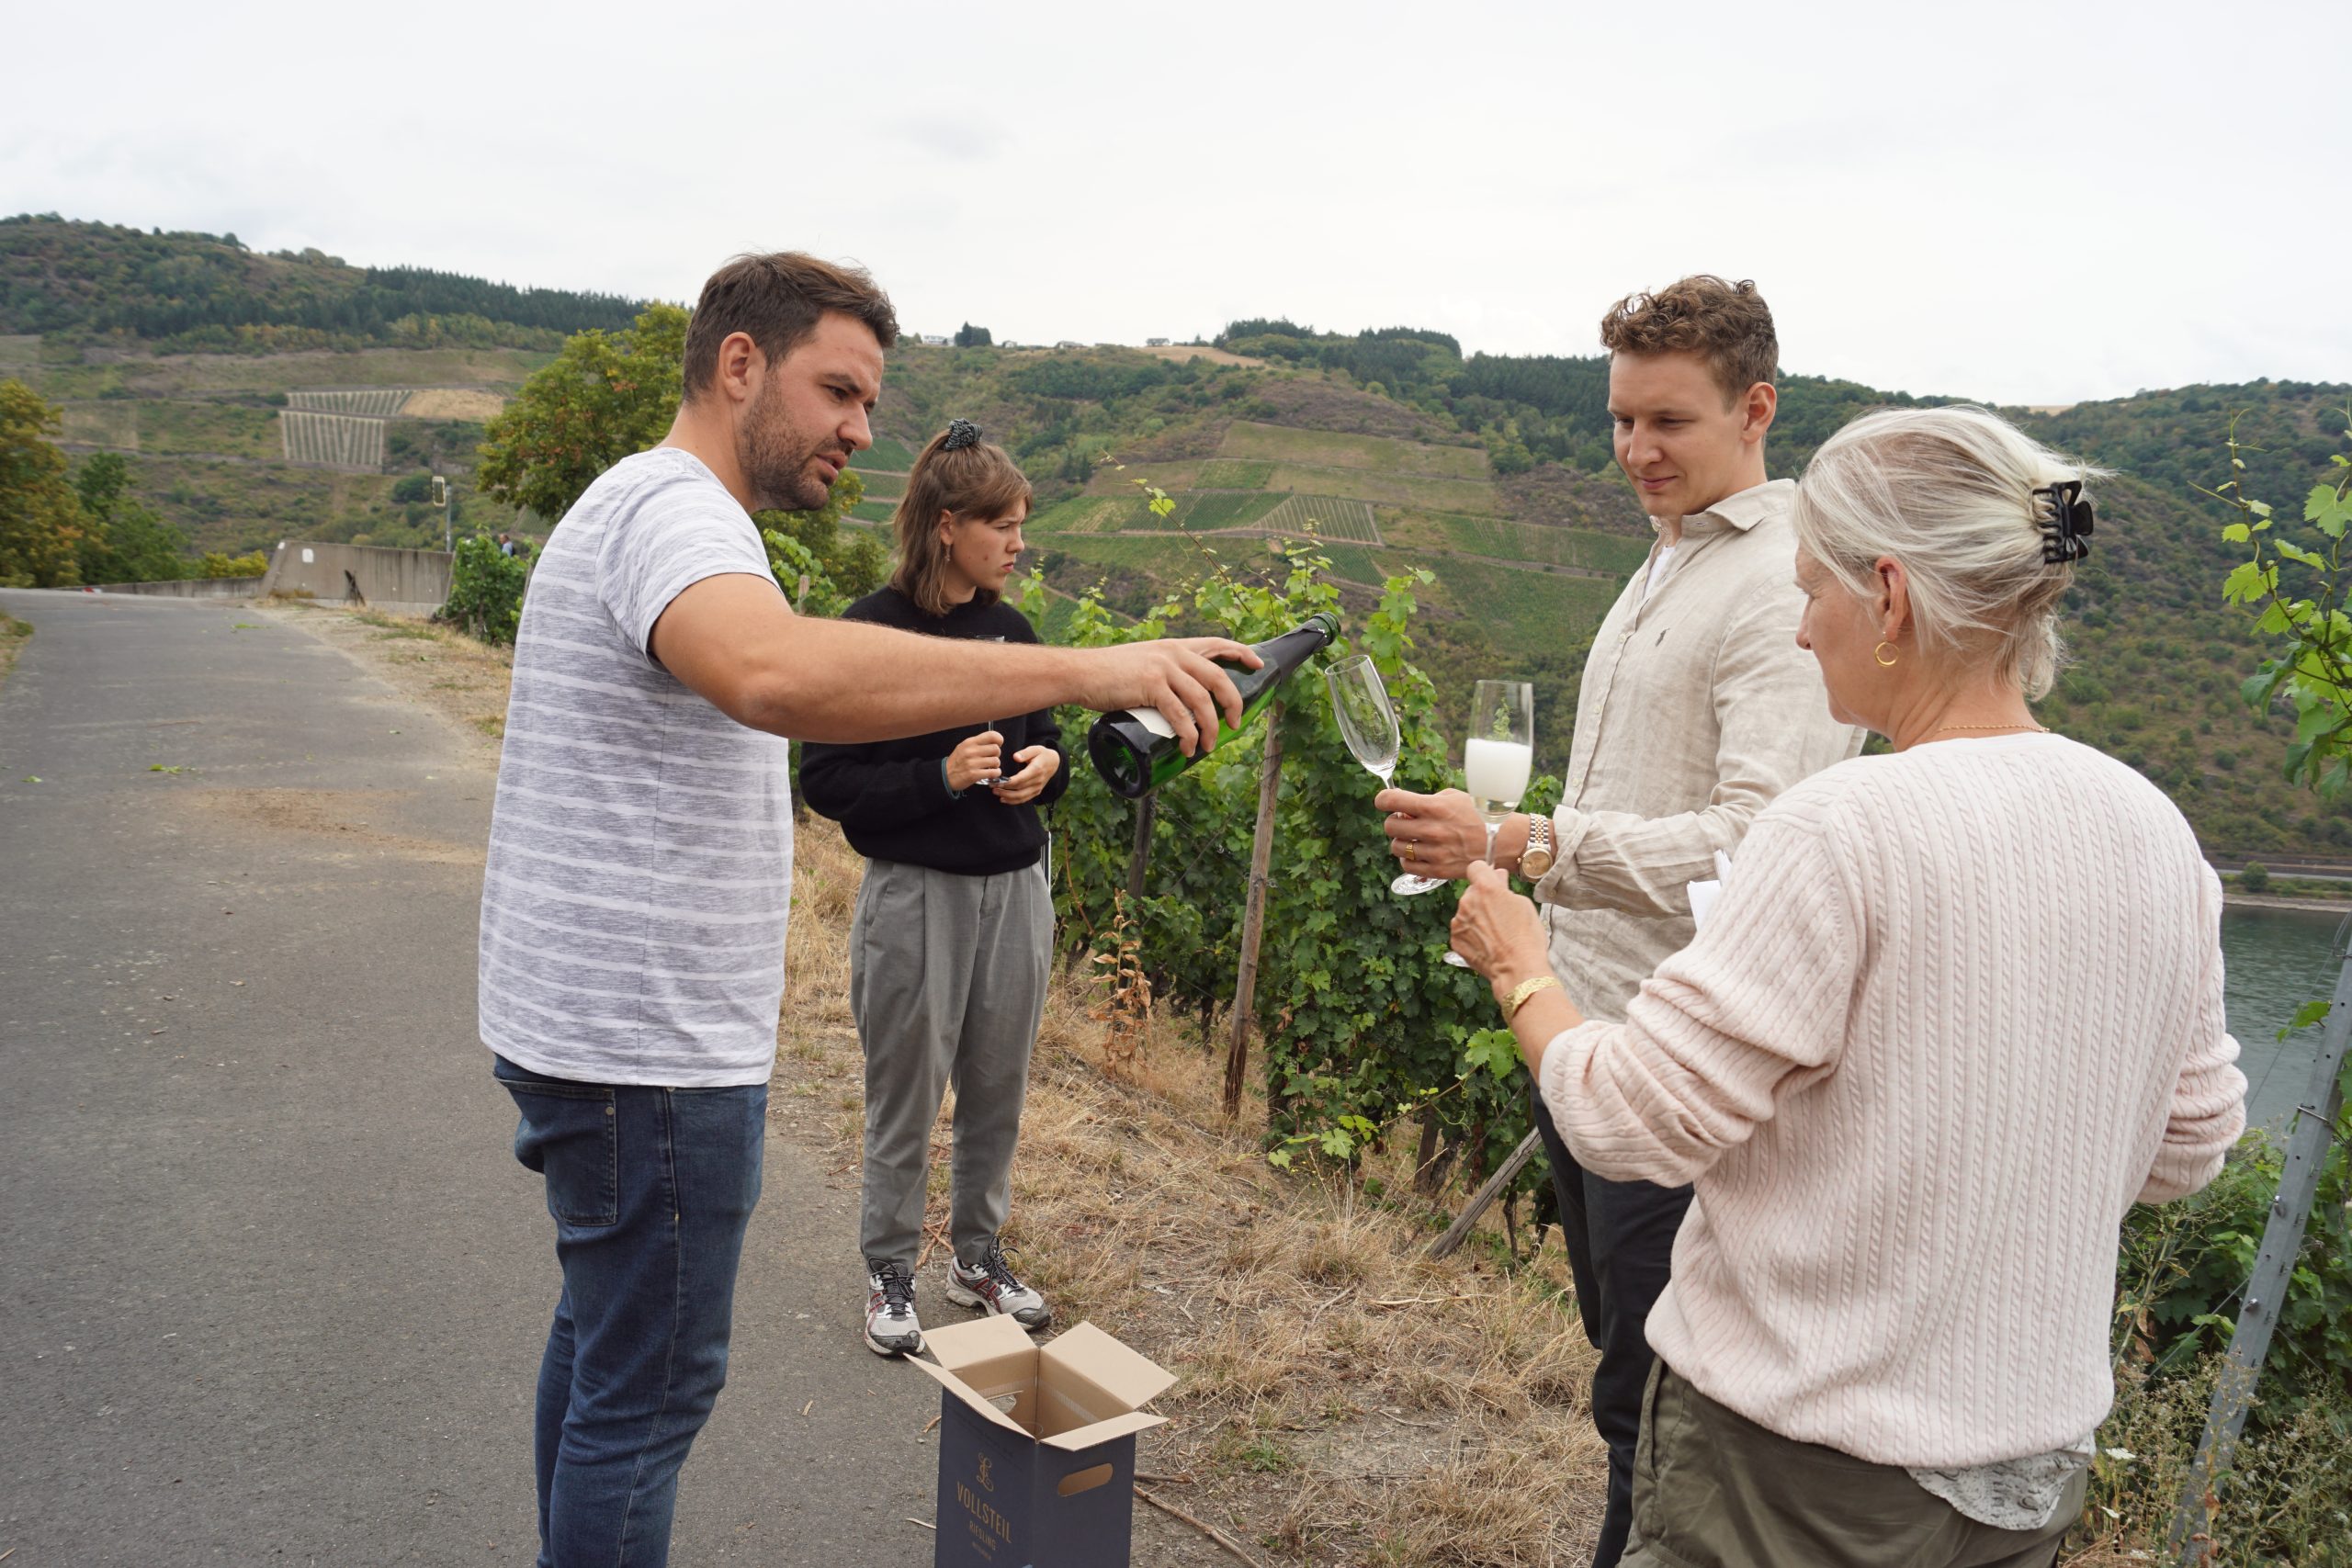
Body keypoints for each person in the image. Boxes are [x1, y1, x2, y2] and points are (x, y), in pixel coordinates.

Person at [478, 252, 1256, 1568]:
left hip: (599, 1031)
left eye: (869, 398)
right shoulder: (678, 514)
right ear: (740, 364)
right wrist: (1068, 668)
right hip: (647, 1053)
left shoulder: (651, 506)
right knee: (648, 1391)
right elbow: (775, 670)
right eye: (837, 388)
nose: (860, 426)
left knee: (605, 1350)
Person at [1447, 404, 2248, 1568]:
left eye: (1809, 590)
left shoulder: (1841, 825)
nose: (1799, 631)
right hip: (2023, 1481)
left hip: (1795, 1471)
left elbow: (1629, 1120)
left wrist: (1523, 969)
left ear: (1889, 596)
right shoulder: (2153, 828)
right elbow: (2185, 1150)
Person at [1375, 276, 1860, 1567]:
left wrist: (1526, 840)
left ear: (1756, 407)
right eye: (1620, 420)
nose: (1638, 450)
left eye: (1670, 421)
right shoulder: (1674, 549)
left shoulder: (1780, 580)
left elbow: (1765, 839)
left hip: (1678, 1058)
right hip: (1584, 1031)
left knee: (1653, 1407)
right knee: (1623, 1372)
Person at [799, 420, 1065, 1357]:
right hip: (916, 893)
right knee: (905, 1089)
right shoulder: (869, 631)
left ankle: (978, 1257)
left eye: (1022, 523)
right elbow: (823, 781)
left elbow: (1047, 744)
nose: (1018, 543)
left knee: (998, 1084)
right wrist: (939, 778)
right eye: (1003, 524)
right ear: (948, 525)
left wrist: (1047, 767)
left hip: (1016, 890)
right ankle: (889, 1268)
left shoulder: (1011, 631)